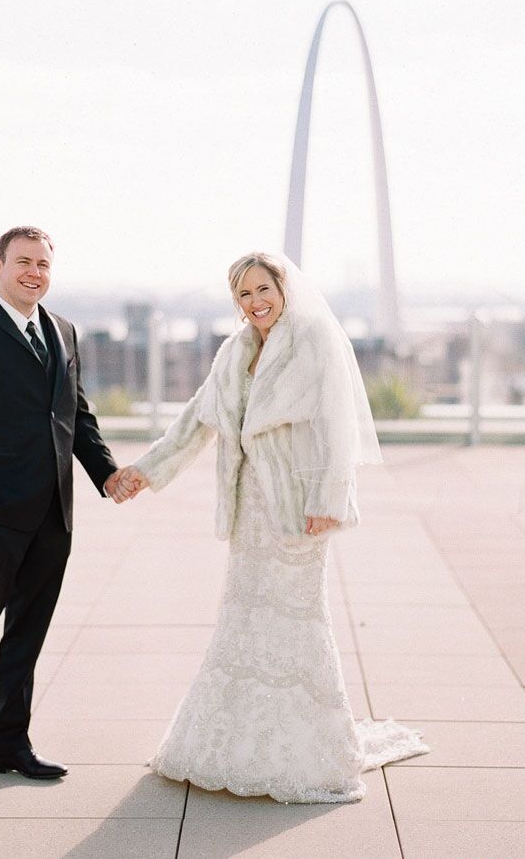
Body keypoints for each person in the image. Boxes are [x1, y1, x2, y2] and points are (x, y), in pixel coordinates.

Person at [112, 251, 429, 804]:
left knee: (297, 618)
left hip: (299, 506)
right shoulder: (235, 352)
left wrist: (329, 498)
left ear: (283, 287)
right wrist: (145, 471)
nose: (256, 302)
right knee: (243, 616)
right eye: (244, 295)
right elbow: (197, 420)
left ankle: (310, 748)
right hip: (249, 509)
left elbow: (337, 425)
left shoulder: (313, 341)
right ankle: (233, 743)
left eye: (264, 289)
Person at [0, 225, 128, 796]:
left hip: (52, 515)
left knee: (27, 634)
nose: (34, 273)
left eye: (43, 264)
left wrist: (106, 473)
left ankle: (10, 744)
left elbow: (74, 416)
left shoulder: (63, 330)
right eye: (23, 262)